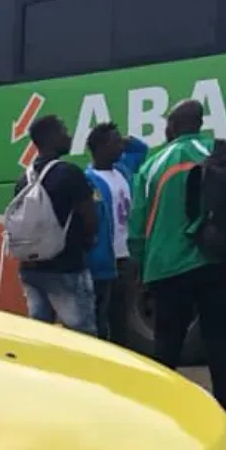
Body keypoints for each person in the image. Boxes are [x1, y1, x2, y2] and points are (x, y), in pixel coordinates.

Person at [128, 99, 226, 426]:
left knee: (167, 343)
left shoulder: (152, 165)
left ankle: (165, 418)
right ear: (200, 122)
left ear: (173, 126)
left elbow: (137, 226)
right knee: (221, 341)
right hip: (219, 262)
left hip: (167, 267)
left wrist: (139, 265)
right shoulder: (224, 152)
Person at [14, 115, 97, 333]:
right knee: (82, 334)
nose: (69, 137)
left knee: (41, 335)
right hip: (65, 267)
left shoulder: (24, 179)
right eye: (64, 131)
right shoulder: (70, 173)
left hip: (30, 269)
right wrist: (87, 243)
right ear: (51, 137)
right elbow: (89, 217)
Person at [83, 122, 149, 343]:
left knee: (122, 319)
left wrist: (127, 139)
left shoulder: (122, 169)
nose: (121, 146)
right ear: (100, 147)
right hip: (104, 261)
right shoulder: (88, 180)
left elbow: (140, 150)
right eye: (115, 142)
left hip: (125, 258)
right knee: (100, 318)